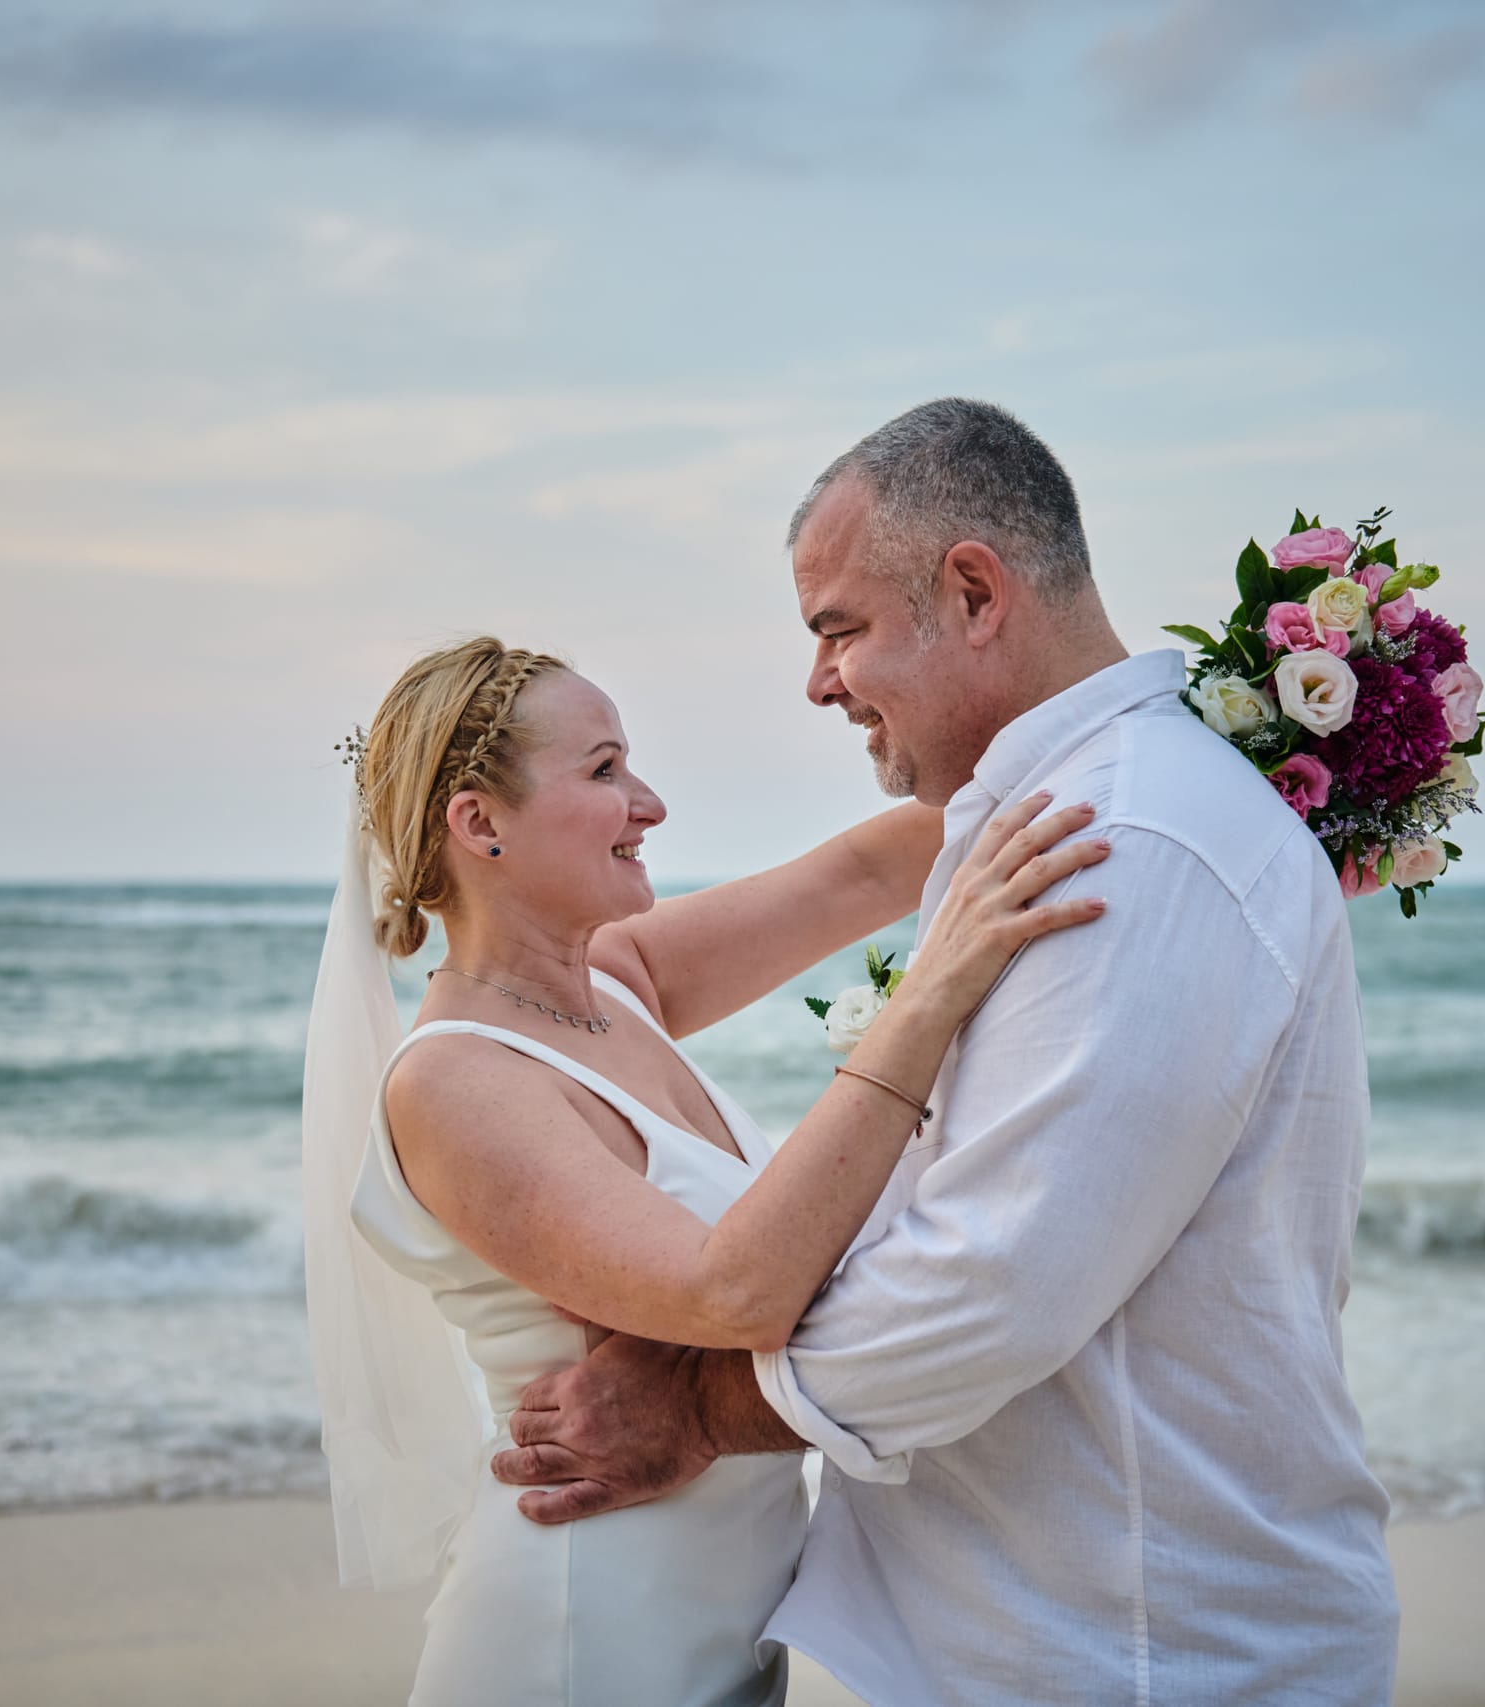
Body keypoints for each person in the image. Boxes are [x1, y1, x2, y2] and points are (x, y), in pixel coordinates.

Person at [491, 399, 1402, 1705]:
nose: (818, 682)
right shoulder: (1069, 816)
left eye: (839, 629)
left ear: (974, 593)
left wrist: (694, 1411)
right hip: (1058, 1636)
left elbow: (985, 1286)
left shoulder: (1127, 841)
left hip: (1139, 1654)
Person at [300, 634, 1113, 1705]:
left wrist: (1198, 730)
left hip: (721, 1615)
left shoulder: (616, 982)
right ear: (479, 823)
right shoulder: (455, 1082)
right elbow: (733, 1292)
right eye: (604, 770)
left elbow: (869, 871)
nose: (650, 803)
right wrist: (931, 995)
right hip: (584, 1631)